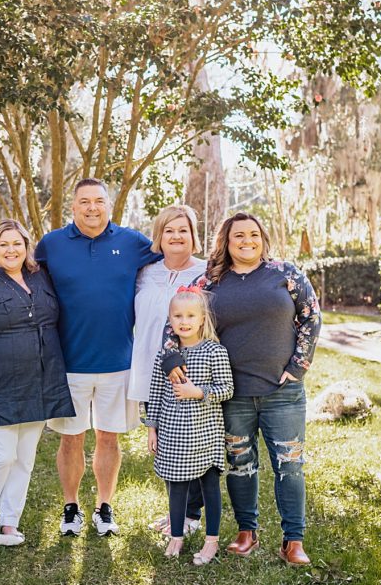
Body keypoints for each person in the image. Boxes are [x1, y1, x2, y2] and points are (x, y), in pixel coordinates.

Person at [173, 212, 321, 566]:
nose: (247, 241)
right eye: (239, 235)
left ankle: (293, 541)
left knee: (290, 465)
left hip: (281, 392)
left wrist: (298, 366)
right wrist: (170, 359)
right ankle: (246, 532)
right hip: (231, 393)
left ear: (262, 238)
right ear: (226, 240)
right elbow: (178, 319)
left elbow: (311, 317)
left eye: (253, 234)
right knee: (241, 464)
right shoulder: (208, 282)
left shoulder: (285, 273)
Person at [36, 178, 161, 537]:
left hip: (118, 362)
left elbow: (174, 259)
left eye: (99, 201)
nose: (92, 208)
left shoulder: (133, 243)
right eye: (84, 202)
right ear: (72, 207)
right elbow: (20, 273)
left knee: (109, 438)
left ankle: (104, 507)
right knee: (71, 438)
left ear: (110, 205)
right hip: (68, 363)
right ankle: (71, 506)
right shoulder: (52, 244)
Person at [0, 220, 76, 541]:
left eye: (17, 244)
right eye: (3, 244)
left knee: (24, 458)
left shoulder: (41, 277)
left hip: (39, 380)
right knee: (1, 456)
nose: (11, 250)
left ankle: (10, 520)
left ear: (26, 247)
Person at [127, 205, 207, 537]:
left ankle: (190, 515)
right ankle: (177, 510)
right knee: (165, 443)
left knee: (192, 440)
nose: (176, 237)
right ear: (159, 236)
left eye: (183, 230)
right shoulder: (144, 272)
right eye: (169, 230)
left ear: (193, 236)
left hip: (188, 369)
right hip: (148, 365)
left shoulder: (207, 272)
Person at [145, 288, 233, 564]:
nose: (184, 321)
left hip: (204, 432)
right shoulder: (166, 356)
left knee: (209, 485)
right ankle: (176, 536)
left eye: (190, 316)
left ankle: (211, 540)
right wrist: (152, 428)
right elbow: (156, 393)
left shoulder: (214, 351)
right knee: (177, 484)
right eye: (178, 316)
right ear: (170, 320)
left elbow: (227, 388)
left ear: (202, 318)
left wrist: (199, 392)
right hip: (172, 431)